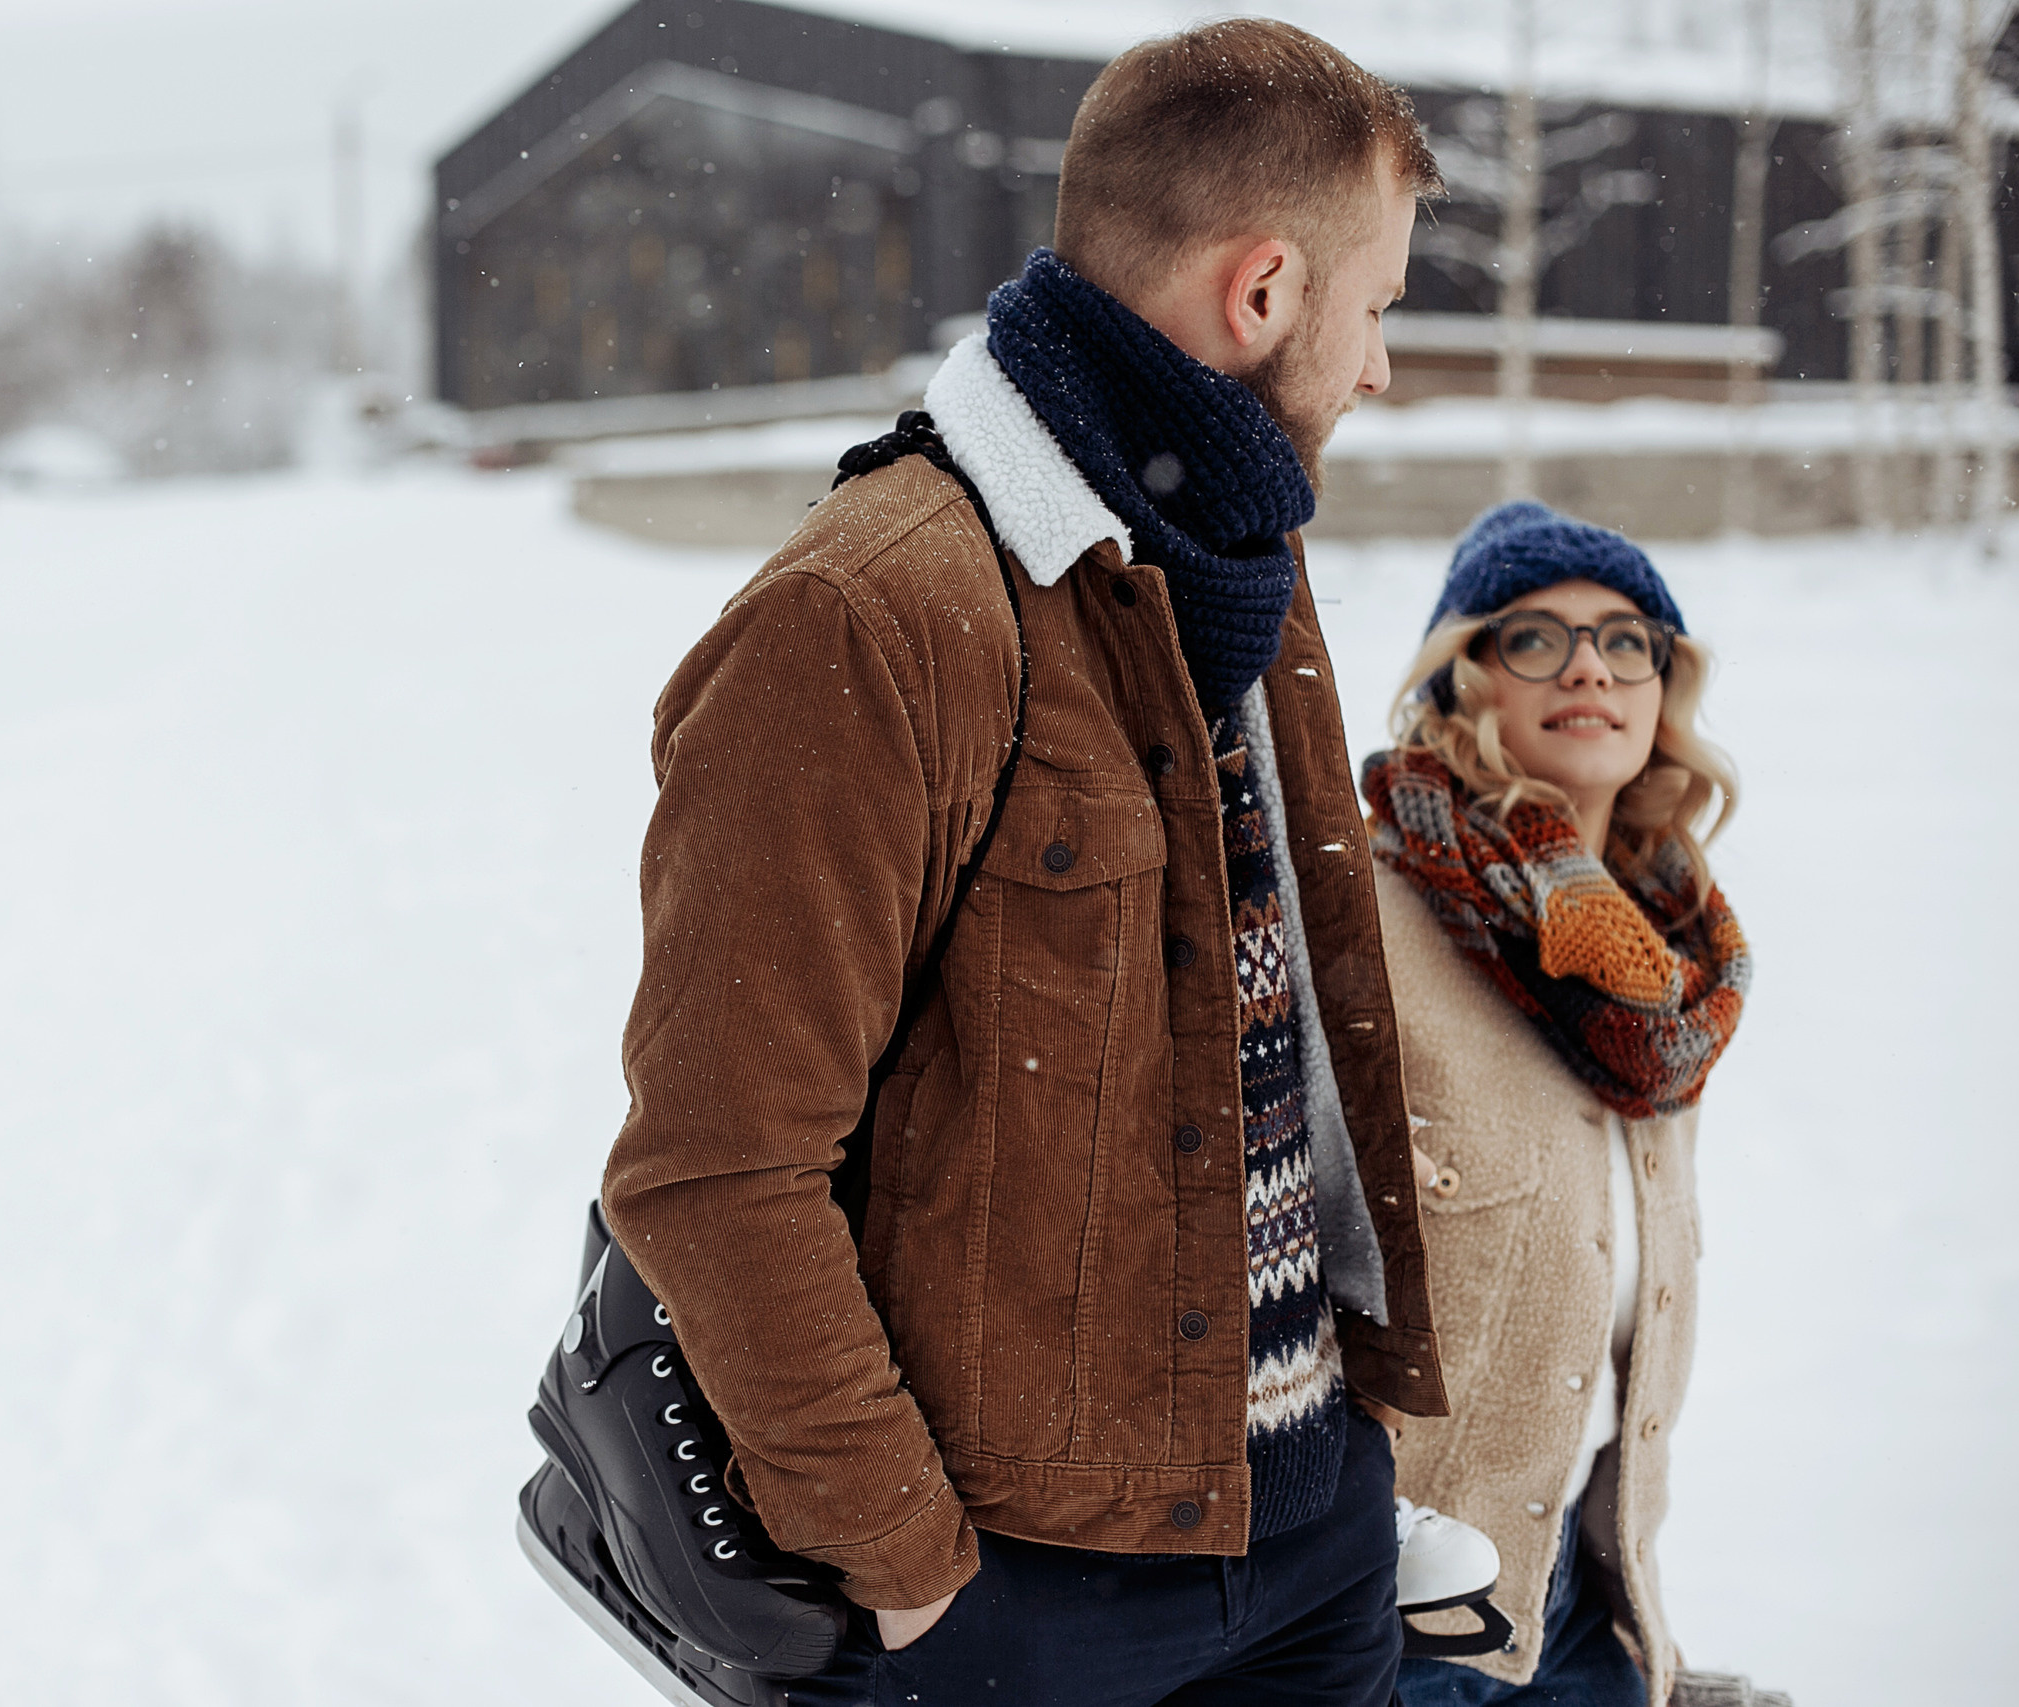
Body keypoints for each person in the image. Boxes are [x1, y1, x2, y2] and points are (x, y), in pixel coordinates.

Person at [599, 22, 1454, 1705]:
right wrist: (913, 1572)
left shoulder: (1232, 551)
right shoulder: (868, 614)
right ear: (1265, 290)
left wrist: (1349, 1452)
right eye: (1381, 309)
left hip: (1302, 1545)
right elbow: (715, 1162)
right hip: (1018, 1604)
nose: (1377, 370)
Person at [1362, 502, 1751, 1707]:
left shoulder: (1663, 954)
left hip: (1582, 1608)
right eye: (1534, 637)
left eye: (1626, 640)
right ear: (1460, 679)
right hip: (1391, 1624)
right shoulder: (1367, 919)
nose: (1589, 664)